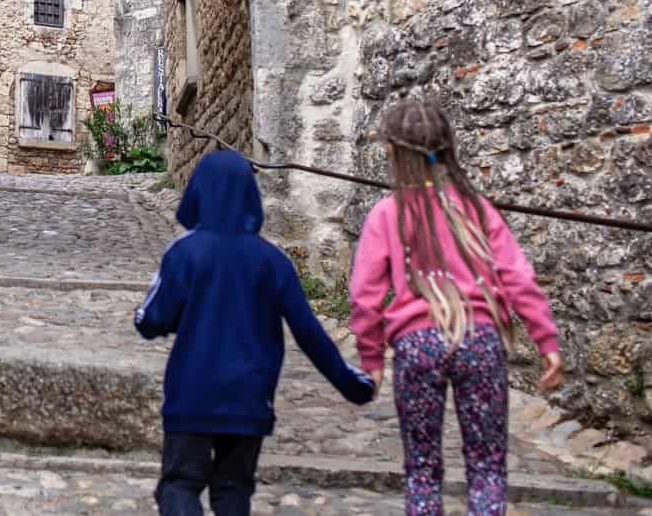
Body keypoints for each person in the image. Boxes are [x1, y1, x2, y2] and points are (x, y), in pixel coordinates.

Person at [349, 99, 564, 515]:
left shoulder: (386, 214)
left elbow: (365, 295)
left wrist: (371, 358)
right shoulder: (478, 210)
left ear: (392, 152)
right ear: (448, 148)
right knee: (486, 466)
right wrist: (546, 341)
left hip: (417, 345)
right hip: (480, 340)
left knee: (422, 468)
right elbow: (518, 276)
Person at [135, 149, 376, 516]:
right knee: (233, 492)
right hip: (250, 398)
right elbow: (309, 332)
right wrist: (350, 382)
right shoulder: (273, 260)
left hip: (191, 396)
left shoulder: (185, 253)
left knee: (180, 485)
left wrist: (167, 316)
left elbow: (151, 319)